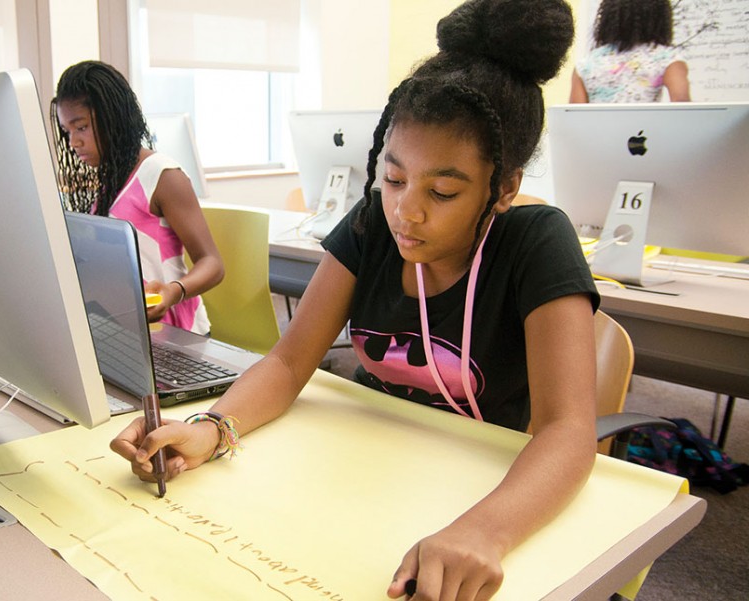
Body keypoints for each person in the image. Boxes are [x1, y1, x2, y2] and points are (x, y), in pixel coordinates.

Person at [111, 0, 599, 599]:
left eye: (442, 191)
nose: (406, 211)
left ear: (504, 189)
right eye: (393, 179)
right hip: (369, 475)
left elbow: (569, 430)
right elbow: (291, 363)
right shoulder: (373, 225)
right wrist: (212, 429)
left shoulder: (536, 242)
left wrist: (483, 533)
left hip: (488, 490)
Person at [52, 61, 223, 334]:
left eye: (81, 127)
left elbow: (213, 264)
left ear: (112, 117)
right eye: (67, 131)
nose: (73, 142)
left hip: (177, 332)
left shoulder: (163, 176)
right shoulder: (109, 179)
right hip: (132, 330)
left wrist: (173, 292)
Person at [570, 0, 691, 103]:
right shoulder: (668, 59)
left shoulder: (586, 65)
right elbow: (683, 109)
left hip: (599, 131)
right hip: (647, 130)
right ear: (660, 16)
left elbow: (574, 119)